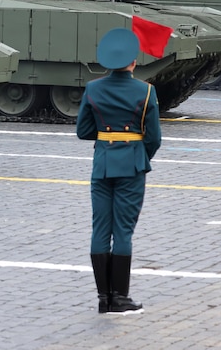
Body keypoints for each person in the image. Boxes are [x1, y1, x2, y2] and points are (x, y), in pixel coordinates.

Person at [76, 27, 161, 314]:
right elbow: (154, 138)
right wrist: (138, 154)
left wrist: (106, 141)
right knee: (123, 231)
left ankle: (103, 298)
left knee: (100, 228)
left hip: (102, 164)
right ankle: (120, 298)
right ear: (133, 62)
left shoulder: (93, 89)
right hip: (132, 164)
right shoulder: (146, 91)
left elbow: (83, 131)